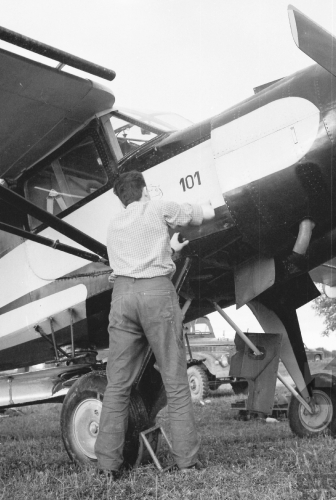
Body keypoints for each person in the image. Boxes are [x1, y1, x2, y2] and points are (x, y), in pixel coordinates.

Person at [95, 170, 215, 477]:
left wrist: (169, 248)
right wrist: (210, 203)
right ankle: (186, 462)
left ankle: (107, 467)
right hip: (157, 293)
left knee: (118, 386)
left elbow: (137, 256)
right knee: (175, 381)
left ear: (122, 198)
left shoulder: (114, 225)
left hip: (123, 297)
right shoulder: (158, 207)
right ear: (145, 190)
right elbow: (200, 214)